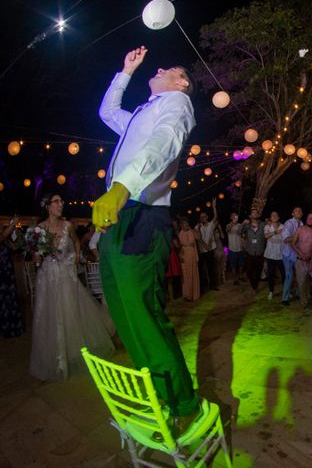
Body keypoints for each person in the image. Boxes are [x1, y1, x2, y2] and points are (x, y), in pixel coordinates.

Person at [93, 46, 200, 425]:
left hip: (142, 214)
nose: (158, 67)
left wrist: (122, 188)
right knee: (124, 311)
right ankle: (159, 395)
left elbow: (163, 144)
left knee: (143, 313)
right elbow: (106, 113)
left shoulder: (177, 105)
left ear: (181, 82)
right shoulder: (142, 112)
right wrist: (125, 72)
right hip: (121, 214)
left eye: (168, 67)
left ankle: (181, 402)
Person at [32, 193, 115, 380]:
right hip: (48, 277)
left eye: (62, 201)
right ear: (47, 206)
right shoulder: (39, 229)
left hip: (65, 275)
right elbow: (36, 256)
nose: (61, 204)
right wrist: (37, 256)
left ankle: (75, 352)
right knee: (52, 315)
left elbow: (77, 242)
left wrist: (76, 259)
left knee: (71, 312)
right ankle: (56, 357)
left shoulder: (68, 225)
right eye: (56, 201)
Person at [291, 212, 312, 309]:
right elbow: (293, 243)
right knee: (301, 284)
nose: (311, 219)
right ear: (306, 219)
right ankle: (303, 302)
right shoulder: (300, 230)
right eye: (309, 217)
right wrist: (301, 254)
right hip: (300, 261)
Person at [0, 216, 24, 338]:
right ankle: (5, 329)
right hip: (1, 276)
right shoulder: (1, 237)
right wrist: (12, 224)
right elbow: (2, 235)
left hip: (8, 274)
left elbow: (15, 247)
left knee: (11, 301)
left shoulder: (5, 240)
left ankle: (13, 328)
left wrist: (16, 232)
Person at [281, 207, 303, 306]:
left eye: (300, 211)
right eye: (297, 211)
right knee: (289, 276)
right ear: (292, 213)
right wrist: (297, 236)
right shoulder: (288, 223)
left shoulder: (302, 224)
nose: (299, 212)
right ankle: (285, 298)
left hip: (298, 254)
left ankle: (299, 294)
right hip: (288, 254)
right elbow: (285, 239)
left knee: (301, 275)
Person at [241, 208, 266, 292]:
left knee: (259, 270)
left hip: (260, 252)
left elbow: (269, 230)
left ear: (258, 215)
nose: (254, 214)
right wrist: (243, 224)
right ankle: (253, 283)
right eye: (253, 213)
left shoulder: (263, 224)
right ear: (250, 215)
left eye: (256, 213)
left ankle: (255, 285)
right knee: (248, 271)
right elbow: (238, 232)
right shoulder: (247, 225)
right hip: (250, 252)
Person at [178, 216, 200, 301]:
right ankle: (187, 295)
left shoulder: (191, 231)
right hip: (184, 255)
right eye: (183, 224)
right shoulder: (180, 233)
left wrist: (192, 230)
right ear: (181, 225)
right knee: (186, 275)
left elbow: (198, 238)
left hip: (192, 255)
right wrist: (180, 256)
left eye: (186, 223)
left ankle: (194, 294)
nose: (185, 225)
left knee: (193, 273)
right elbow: (179, 247)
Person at [195, 207, 217, 292]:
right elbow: (198, 239)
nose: (202, 218)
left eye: (204, 216)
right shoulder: (197, 227)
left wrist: (214, 207)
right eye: (201, 217)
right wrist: (205, 245)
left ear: (207, 217)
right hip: (202, 251)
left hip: (210, 250)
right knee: (201, 270)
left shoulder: (211, 225)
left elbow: (215, 216)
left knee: (211, 269)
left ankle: (212, 285)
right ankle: (202, 287)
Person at [264, 211, 285, 300]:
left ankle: (285, 290)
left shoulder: (283, 226)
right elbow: (266, 236)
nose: (274, 216)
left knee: (284, 274)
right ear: (270, 218)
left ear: (279, 217)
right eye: (272, 215)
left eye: (276, 215)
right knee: (271, 274)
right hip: (270, 254)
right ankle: (271, 292)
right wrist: (275, 232)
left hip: (281, 254)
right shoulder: (267, 226)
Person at [226, 212, 245, 284]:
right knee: (233, 265)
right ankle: (235, 279)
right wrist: (233, 223)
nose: (235, 217)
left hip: (240, 248)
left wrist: (243, 242)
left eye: (236, 216)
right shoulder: (228, 225)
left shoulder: (240, 225)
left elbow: (243, 235)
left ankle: (240, 276)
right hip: (232, 249)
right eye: (233, 216)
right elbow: (227, 230)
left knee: (241, 264)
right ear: (231, 217)